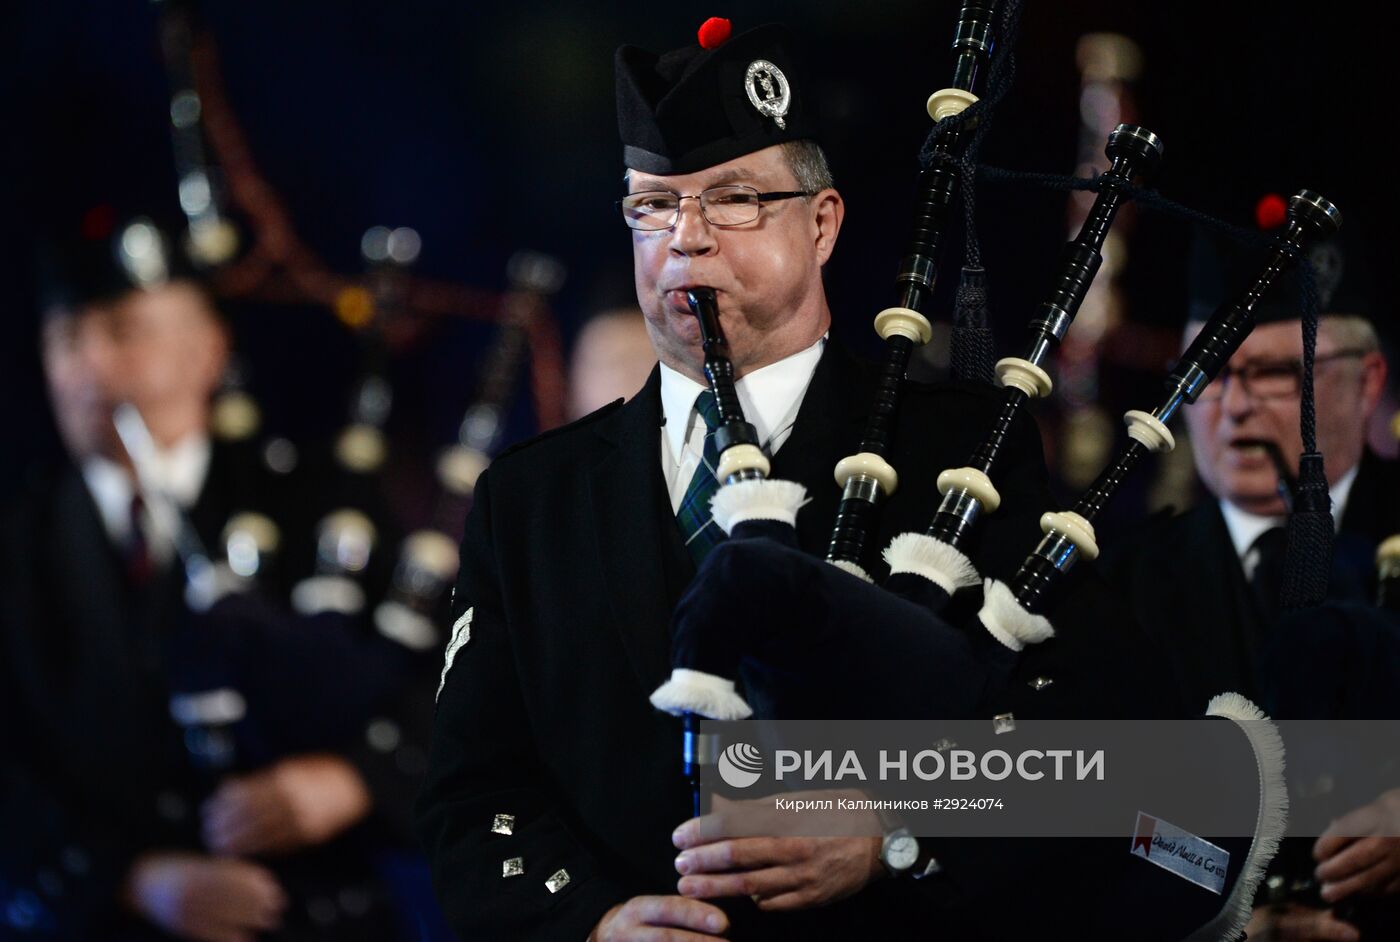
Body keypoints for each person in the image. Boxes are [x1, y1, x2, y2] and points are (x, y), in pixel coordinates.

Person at [419, 21, 1175, 941]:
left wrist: (896, 834)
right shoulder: (529, 499)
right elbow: (473, 791)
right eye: (653, 206)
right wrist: (591, 922)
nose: (685, 241)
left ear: (821, 225)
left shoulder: (962, 450)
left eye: (734, 199)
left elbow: (1100, 738)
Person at [0, 217, 431, 940]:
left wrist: (354, 781)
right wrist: (130, 881)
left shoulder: (319, 506)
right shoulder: (16, 545)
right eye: (66, 339)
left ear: (208, 348)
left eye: (124, 329)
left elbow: (448, 679)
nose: (91, 369)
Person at [1101, 232, 1400, 941]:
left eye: (1272, 375)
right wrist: (1229, 911)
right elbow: (1102, 808)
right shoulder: (1121, 582)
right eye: (1208, 375)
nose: (1231, 407)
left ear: (1369, 381)